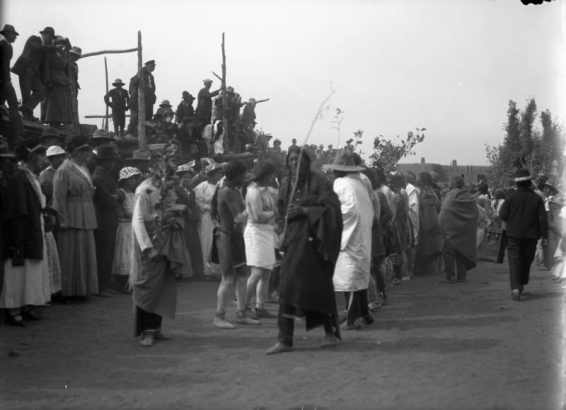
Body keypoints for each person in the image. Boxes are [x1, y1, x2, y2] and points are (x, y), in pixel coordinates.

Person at [266, 146, 343, 354]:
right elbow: (279, 214)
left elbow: (333, 209)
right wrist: (281, 227)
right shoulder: (285, 184)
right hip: (293, 243)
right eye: (290, 160)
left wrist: (305, 210)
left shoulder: (320, 182)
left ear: (306, 162)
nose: (293, 163)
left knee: (320, 288)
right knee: (287, 287)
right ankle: (285, 339)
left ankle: (331, 333)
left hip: (315, 244)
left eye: (297, 159)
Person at [131, 172, 188, 347]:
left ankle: (156, 327)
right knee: (148, 286)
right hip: (150, 244)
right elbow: (138, 221)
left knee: (162, 286)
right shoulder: (145, 190)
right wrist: (148, 249)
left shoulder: (168, 189)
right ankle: (146, 331)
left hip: (166, 242)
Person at [1, 138, 50, 326]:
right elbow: (18, 209)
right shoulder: (19, 177)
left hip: (32, 227)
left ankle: (24, 305)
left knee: (29, 270)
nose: (45, 160)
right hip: (22, 231)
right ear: (33, 157)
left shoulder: (29, 176)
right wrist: (20, 237)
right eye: (42, 156)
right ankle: (13, 309)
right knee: (17, 270)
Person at [326, 148, 374, 330]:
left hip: (349, 236)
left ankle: (354, 318)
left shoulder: (342, 184)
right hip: (360, 235)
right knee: (358, 276)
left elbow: (347, 211)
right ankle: (363, 313)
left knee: (350, 278)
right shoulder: (359, 183)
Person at [211, 159, 260, 329]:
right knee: (228, 278)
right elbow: (238, 217)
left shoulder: (235, 191)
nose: (246, 176)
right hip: (227, 238)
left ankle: (240, 314)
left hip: (236, 237)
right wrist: (254, 206)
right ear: (237, 174)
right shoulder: (225, 192)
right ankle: (219, 316)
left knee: (243, 276)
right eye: (244, 173)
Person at [52, 135, 99, 301]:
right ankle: (67, 291)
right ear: (77, 152)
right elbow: (58, 198)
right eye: (86, 151)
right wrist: (62, 219)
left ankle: (80, 290)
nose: (89, 154)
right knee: (70, 254)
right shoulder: (64, 170)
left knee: (84, 253)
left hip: (86, 214)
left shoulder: (84, 168)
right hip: (71, 215)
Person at [499, 169, 548, 301]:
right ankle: (520, 283)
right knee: (526, 261)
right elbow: (542, 219)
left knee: (514, 261)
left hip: (513, 235)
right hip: (531, 236)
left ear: (517, 184)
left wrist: (513, 220)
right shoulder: (537, 199)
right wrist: (545, 237)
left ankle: (515, 287)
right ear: (529, 182)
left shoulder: (510, 198)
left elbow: (503, 214)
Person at [243, 161, 278, 319]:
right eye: (270, 174)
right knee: (257, 272)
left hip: (267, 232)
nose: (272, 177)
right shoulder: (254, 192)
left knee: (266, 272)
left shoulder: (265, 191)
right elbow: (258, 216)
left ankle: (259, 306)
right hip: (256, 232)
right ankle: (244, 306)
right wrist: (275, 213)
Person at [92, 145, 122, 297]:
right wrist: (116, 197)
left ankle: (104, 283)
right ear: (103, 161)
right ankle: (100, 286)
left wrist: (116, 196)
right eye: (112, 160)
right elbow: (108, 200)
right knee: (103, 254)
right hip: (103, 220)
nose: (114, 163)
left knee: (108, 253)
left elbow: (119, 195)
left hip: (109, 220)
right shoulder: (98, 177)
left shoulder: (107, 175)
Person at [11, 26, 58, 121]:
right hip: (26, 70)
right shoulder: (33, 39)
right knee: (26, 94)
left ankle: (26, 108)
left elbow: (43, 63)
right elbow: (38, 48)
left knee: (41, 92)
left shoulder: (45, 48)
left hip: (35, 73)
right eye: (50, 37)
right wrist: (54, 47)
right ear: (44, 35)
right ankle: (28, 115)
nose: (51, 40)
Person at [439, 176, 478, 283]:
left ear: (452, 184)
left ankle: (450, 276)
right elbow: (475, 213)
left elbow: (444, 212)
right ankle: (462, 276)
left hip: (450, 230)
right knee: (462, 252)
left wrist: (442, 225)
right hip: (465, 230)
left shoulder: (449, 196)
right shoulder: (469, 197)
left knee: (449, 253)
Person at [111, 167, 141, 294]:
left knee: (133, 253)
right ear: (124, 180)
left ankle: (132, 280)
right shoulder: (121, 193)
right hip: (125, 226)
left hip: (134, 226)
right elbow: (129, 212)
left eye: (135, 179)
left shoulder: (134, 193)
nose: (133, 181)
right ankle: (122, 281)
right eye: (130, 179)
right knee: (125, 252)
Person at [194, 163, 224, 277]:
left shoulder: (221, 186)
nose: (220, 175)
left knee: (217, 241)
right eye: (218, 173)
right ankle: (205, 268)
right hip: (207, 216)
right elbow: (198, 201)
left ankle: (216, 268)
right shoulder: (203, 186)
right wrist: (210, 208)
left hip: (218, 217)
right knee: (206, 240)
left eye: (221, 173)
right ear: (211, 174)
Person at [175, 163, 204, 278]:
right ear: (180, 178)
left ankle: (195, 271)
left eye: (188, 177)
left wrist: (196, 215)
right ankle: (183, 272)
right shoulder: (176, 191)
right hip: (183, 221)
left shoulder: (191, 192)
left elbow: (193, 206)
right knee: (184, 245)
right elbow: (179, 206)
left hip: (191, 222)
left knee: (193, 245)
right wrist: (190, 215)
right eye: (184, 177)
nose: (187, 179)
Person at [415, 172, 443, 275]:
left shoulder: (419, 191)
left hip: (425, 218)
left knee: (425, 243)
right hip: (434, 217)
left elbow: (417, 206)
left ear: (422, 180)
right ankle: (435, 268)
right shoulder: (433, 191)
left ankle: (427, 269)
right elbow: (439, 205)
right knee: (434, 243)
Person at [43, 38, 73, 127]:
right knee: (54, 104)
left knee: (63, 103)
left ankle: (61, 121)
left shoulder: (63, 55)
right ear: (54, 45)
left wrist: (67, 41)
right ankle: (53, 122)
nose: (61, 46)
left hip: (63, 81)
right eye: (59, 44)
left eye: (62, 44)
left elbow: (69, 48)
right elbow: (46, 69)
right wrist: (48, 81)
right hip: (54, 80)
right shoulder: (49, 54)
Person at [126, 60, 156, 135]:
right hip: (138, 100)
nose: (154, 67)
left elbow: (151, 88)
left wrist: (152, 96)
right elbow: (144, 86)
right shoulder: (142, 73)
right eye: (153, 66)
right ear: (149, 66)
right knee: (135, 117)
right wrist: (148, 95)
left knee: (148, 116)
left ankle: (144, 133)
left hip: (148, 100)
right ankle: (129, 133)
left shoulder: (150, 75)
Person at [0, 25, 19, 118]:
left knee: (7, 102)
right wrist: (7, 80)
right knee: (12, 102)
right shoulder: (2, 45)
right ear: (7, 34)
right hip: (2, 80)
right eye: (13, 34)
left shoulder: (9, 46)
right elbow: (3, 65)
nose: (15, 37)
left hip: (4, 80)